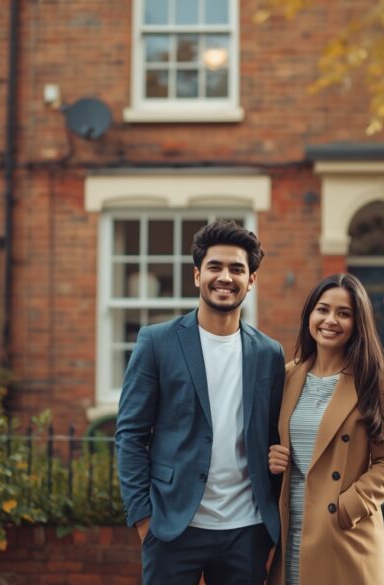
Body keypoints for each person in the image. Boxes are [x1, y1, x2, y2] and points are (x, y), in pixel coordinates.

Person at [115, 219, 285, 585]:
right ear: (197, 275)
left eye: (237, 269)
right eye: (215, 267)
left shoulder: (270, 354)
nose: (225, 277)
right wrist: (143, 518)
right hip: (174, 527)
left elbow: (274, 433)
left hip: (247, 529)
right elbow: (130, 434)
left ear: (251, 280)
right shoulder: (156, 342)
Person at [267, 273, 384, 585]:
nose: (331, 320)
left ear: (359, 323)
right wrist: (273, 457)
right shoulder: (288, 376)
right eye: (323, 309)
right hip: (291, 531)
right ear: (310, 316)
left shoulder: (378, 381)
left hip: (343, 536)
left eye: (344, 313)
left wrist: (346, 509)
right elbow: (278, 442)